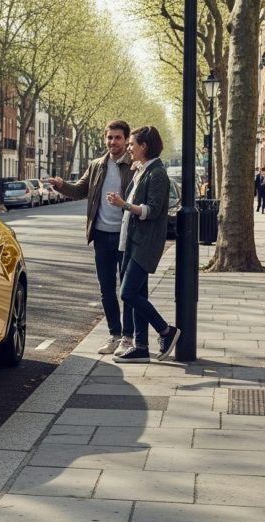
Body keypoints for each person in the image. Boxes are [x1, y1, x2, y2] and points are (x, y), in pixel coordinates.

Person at [49, 120, 136, 356]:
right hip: (100, 235)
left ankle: (128, 338)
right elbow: (79, 190)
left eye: (118, 138)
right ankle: (114, 335)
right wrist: (61, 185)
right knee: (106, 289)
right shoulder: (97, 165)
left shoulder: (134, 166)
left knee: (127, 290)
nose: (113, 142)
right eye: (109, 137)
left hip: (126, 236)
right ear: (104, 139)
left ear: (126, 139)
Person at [107, 125, 180, 363]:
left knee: (127, 293)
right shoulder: (142, 170)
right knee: (138, 293)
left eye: (132, 144)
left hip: (145, 243)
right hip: (132, 241)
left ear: (144, 146)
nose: (129, 148)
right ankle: (141, 347)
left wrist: (123, 205)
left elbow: (152, 210)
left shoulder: (157, 173)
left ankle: (166, 331)